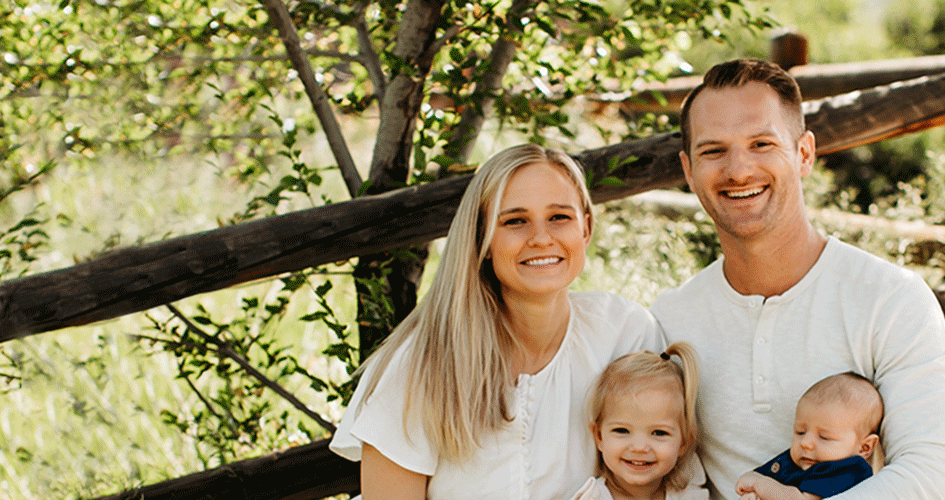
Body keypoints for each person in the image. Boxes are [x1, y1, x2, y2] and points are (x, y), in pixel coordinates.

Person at [649, 58, 945, 500]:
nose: (738, 169)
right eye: (713, 150)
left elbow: (937, 473)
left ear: (803, 154)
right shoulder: (670, 319)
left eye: (762, 144)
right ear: (688, 171)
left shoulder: (891, 299)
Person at [329, 143, 663, 500]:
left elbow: (667, 482)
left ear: (586, 228)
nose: (540, 238)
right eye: (515, 221)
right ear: (483, 239)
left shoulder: (624, 335)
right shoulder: (422, 363)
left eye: (559, 217)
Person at [572, 342, 708, 500]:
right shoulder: (593, 497)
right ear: (599, 436)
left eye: (659, 433)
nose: (639, 447)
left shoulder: (690, 496)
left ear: (684, 442)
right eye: (622, 430)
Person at [735, 372, 883, 500]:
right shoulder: (795, 462)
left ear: (864, 448)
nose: (805, 443)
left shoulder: (849, 470)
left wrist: (759, 484)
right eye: (800, 432)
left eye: (824, 437)